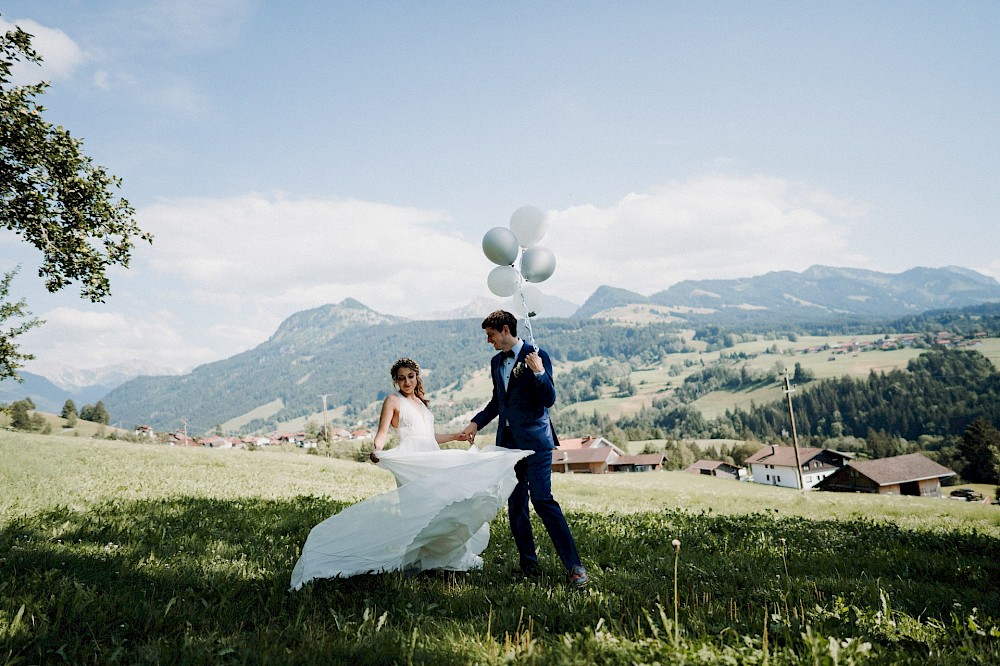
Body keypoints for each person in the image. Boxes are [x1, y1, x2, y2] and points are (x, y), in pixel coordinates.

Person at [290, 358, 530, 591]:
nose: (407, 382)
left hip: (430, 457)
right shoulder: (393, 401)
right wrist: (378, 449)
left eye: (411, 377)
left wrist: (454, 436)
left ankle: (444, 558)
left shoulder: (423, 403)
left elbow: (429, 437)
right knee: (420, 510)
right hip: (411, 460)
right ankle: (424, 559)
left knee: (444, 506)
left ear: (417, 377)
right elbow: (382, 432)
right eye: (401, 378)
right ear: (396, 381)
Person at [461, 311, 589, 588]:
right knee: (516, 505)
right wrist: (475, 423)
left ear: (505, 330)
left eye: (490, 335)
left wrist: (539, 372)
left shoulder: (537, 354)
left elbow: (549, 398)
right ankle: (528, 563)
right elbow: (499, 401)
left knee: (543, 501)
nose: (488, 341)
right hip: (507, 443)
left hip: (536, 442)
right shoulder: (497, 362)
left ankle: (575, 566)